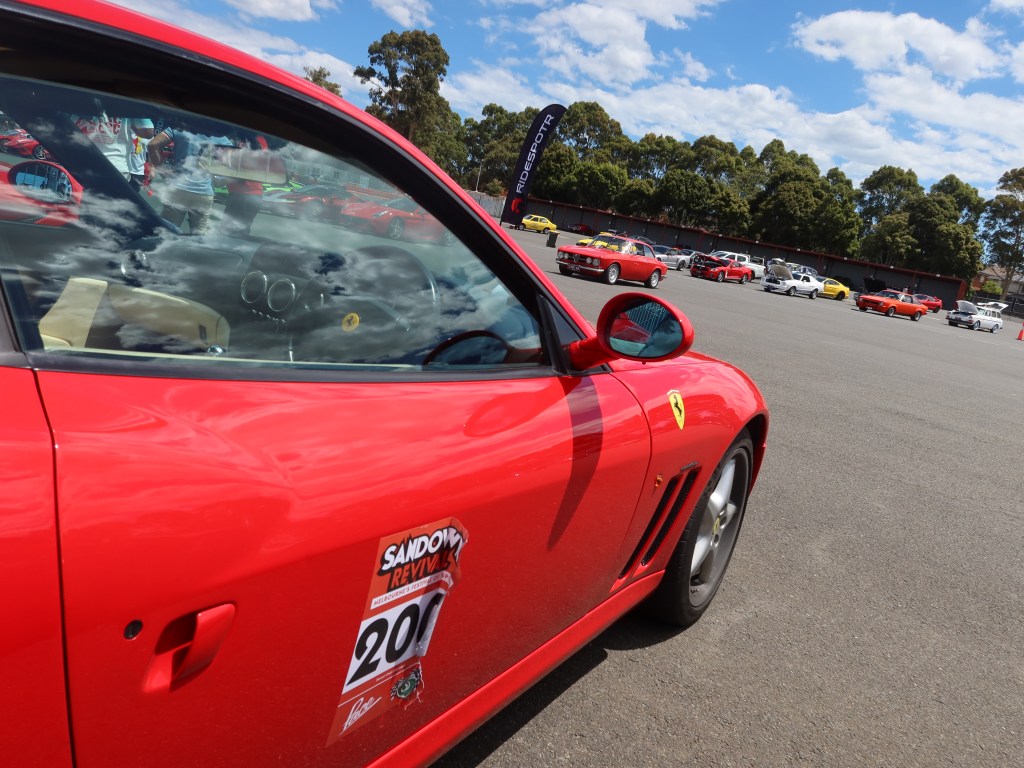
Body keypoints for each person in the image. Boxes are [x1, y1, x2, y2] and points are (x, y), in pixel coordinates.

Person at [147, 125, 231, 234]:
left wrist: (161, 169)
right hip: (203, 192)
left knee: (167, 232)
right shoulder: (221, 137)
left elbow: (153, 145)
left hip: (177, 188)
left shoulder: (179, 128)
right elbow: (232, 163)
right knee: (199, 235)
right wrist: (219, 179)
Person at [126, 118, 154, 193]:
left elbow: (152, 151)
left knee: (132, 196)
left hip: (138, 172)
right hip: (122, 168)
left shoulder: (147, 130)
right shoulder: (124, 125)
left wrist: (151, 169)